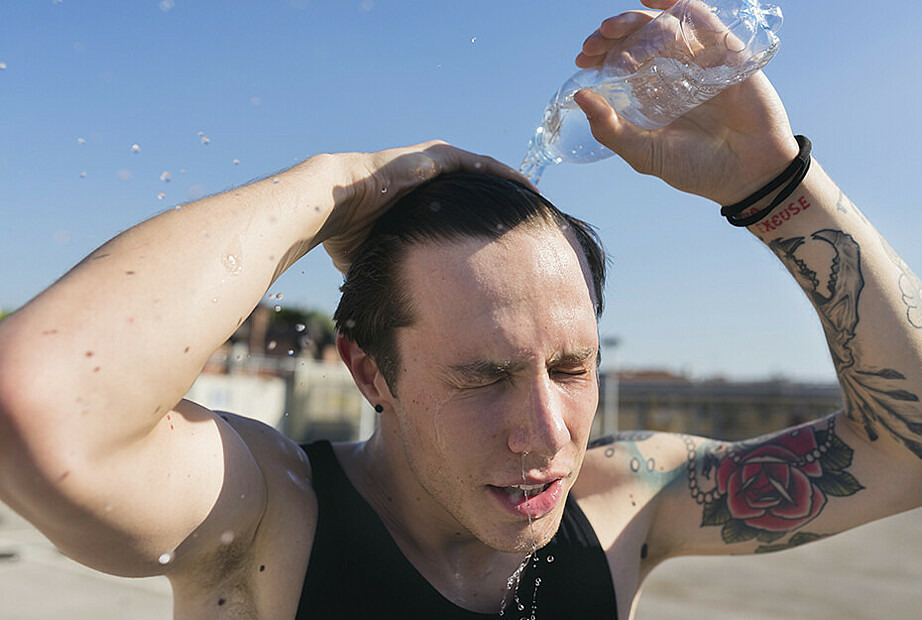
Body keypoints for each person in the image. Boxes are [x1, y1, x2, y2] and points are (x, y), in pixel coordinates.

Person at [1, 1, 921, 617]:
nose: (545, 431)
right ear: (368, 370)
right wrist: (337, 186)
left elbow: (904, 449)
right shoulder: (270, 520)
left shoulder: (624, 505)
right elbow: (42, 407)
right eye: (481, 376)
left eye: (571, 367)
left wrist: (778, 185)